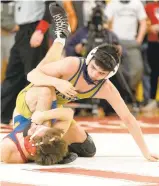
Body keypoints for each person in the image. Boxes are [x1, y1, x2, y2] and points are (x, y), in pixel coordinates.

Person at [15, 3, 159, 162]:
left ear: (110, 74)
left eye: (102, 73)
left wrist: (145, 151)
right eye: (94, 68)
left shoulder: (106, 88)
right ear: (89, 59)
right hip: (31, 101)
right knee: (46, 88)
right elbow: (32, 75)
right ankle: (45, 143)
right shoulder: (73, 64)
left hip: (54, 110)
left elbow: (128, 119)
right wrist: (58, 83)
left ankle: (61, 37)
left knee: (87, 149)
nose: (95, 74)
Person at [0, 107, 78, 165]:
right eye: (38, 126)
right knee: (88, 149)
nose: (33, 125)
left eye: (35, 128)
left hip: (24, 109)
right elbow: (69, 113)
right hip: (36, 108)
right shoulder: (49, 137)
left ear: (31, 145)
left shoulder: (8, 149)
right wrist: (44, 116)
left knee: (45, 92)